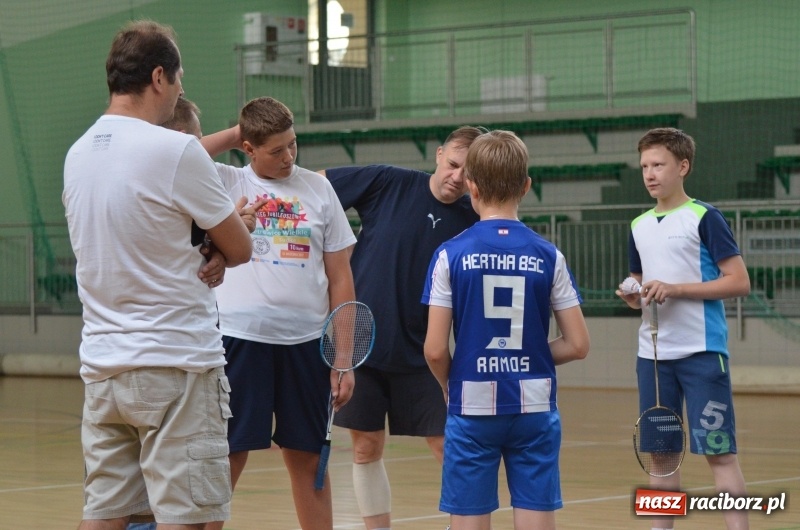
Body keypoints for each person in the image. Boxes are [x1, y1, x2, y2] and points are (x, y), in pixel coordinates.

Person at [62, 20, 253, 530]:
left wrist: (205, 245)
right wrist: (222, 243)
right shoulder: (175, 149)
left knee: (104, 514)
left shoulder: (77, 154)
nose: (180, 92)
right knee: (186, 519)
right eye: (179, 79)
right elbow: (240, 246)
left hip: (103, 367)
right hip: (176, 364)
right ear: (158, 77)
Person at [201, 96, 358, 530]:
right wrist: (239, 130)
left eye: (293, 144)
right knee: (228, 455)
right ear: (248, 149)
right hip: (239, 341)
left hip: (306, 346)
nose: (289, 156)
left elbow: (341, 279)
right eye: (276, 150)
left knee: (309, 459)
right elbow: (183, 154)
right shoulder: (227, 180)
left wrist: (343, 359)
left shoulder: (319, 190)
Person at [422, 129, 590, 530]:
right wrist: (526, 358)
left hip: (473, 404)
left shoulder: (449, 254)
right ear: (526, 186)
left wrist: (450, 383)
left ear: (471, 187)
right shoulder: (549, 255)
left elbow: (434, 349)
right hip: (534, 404)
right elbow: (578, 344)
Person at [319, 125, 485, 529]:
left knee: (450, 447)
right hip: (362, 347)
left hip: (427, 355)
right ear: (439, 154)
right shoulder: (388, 182)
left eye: (468, 173)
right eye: (453, 164)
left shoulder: (473, 220)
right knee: (366, 447)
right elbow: (314, 186)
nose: (457, 177)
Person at [616, 127, 751, 530]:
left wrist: (676, 289)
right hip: (654, 359)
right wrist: (634, 295)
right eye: (644, 166)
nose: (649, 174)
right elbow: (639, 281)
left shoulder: (705, 218)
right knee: (661, 457)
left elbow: (739, 282)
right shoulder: (638, 225)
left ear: (683, 166)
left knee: (719, 453)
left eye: (658, 164)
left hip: (702, 355)